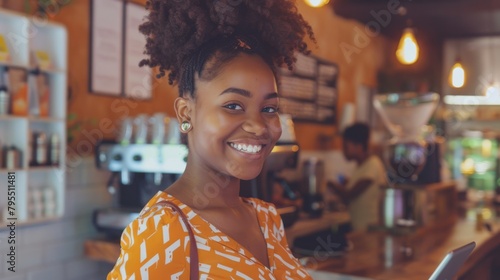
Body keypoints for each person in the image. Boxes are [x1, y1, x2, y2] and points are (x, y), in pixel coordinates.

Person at [107, 0, 315, 279]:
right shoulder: (163, 229)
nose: (257, 126)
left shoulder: (266, 218)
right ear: (186, 112)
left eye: (269, 109)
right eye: (233, 105)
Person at [327, 123, 387, 231]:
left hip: (369, 230)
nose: (343, 151)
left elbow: (349, 195)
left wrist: (332, 185)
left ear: (358, 147)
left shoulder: (373, 164)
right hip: (360, 228)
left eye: (346, 146)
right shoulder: (360, 167)